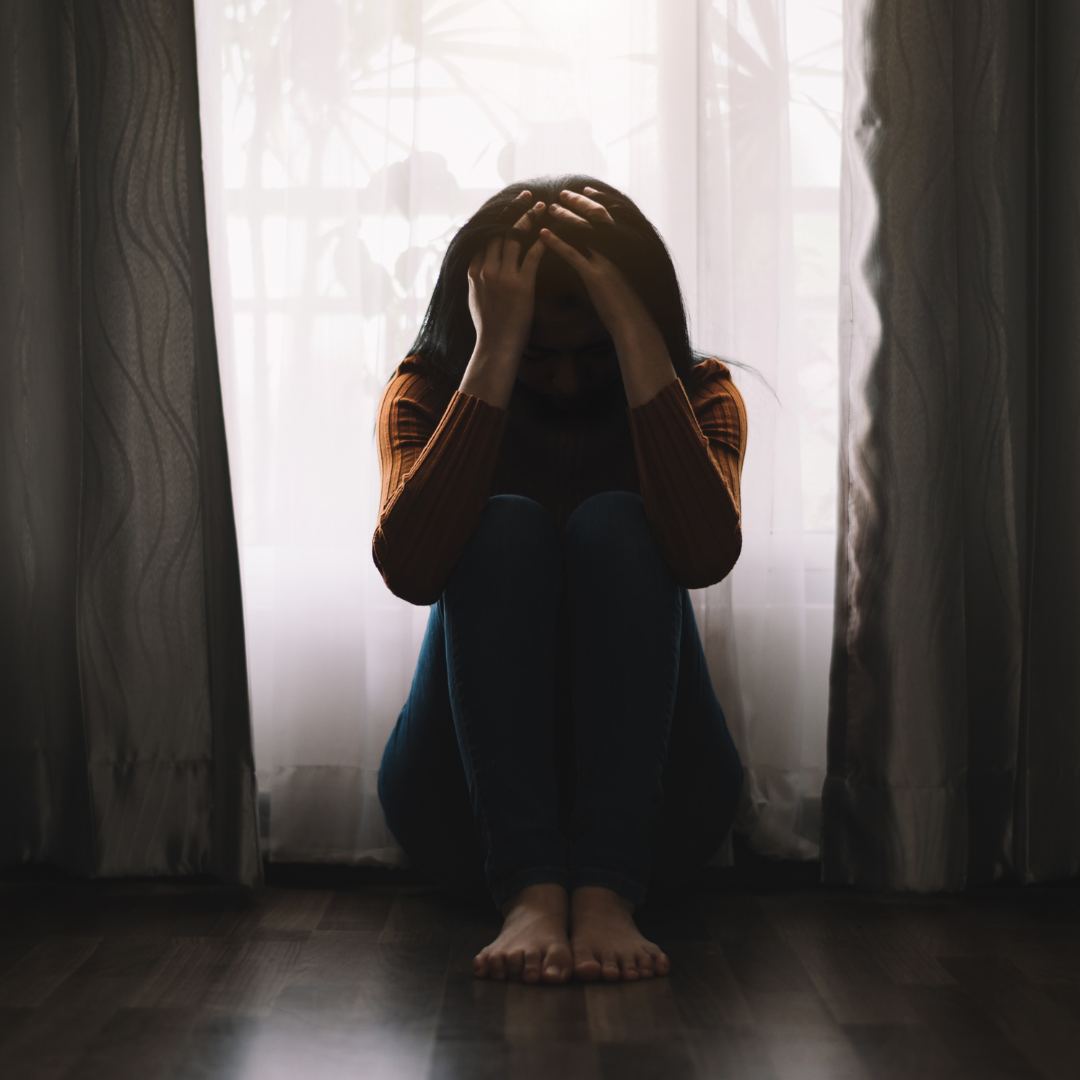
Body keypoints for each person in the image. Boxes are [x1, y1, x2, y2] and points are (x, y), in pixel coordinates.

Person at [373, 176, 746, 986]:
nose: (571, 384)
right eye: (543, 356)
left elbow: (704, 556)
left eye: (596, 353)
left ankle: (610, 886)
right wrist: (494, 356)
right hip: (461, 815)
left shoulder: (703, 392)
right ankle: (530, 888)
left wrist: (637, 335)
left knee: (618, 521)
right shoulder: (428, 392)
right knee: (504, 525)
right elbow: (411, 570)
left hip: (662, 820)